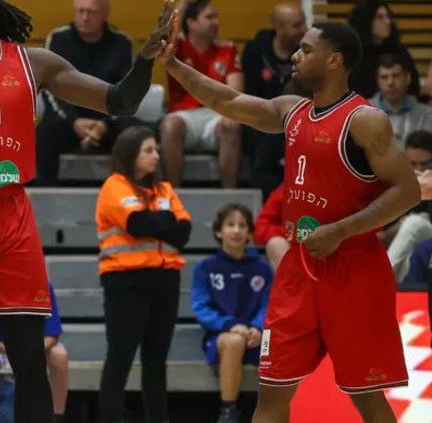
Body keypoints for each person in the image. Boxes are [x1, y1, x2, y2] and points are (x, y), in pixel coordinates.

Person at [0, 0, 177, 420]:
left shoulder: (33, 63)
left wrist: (146, 58)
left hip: (11, 214)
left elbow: (119, 101)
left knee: (30, 356)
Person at [161, 20, 420, 422]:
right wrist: (174, 65)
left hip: (353, 268)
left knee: (368, 400)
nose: (295, 56)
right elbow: (227, 100)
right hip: (298, 268)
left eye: (306, 49)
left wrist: (341, 230)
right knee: (270, 396)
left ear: (334, 60)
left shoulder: (364, 120)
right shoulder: (291, 110)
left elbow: (407, 191)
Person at [95, 126, 192, 423]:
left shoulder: (164, 189)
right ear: (130, 154)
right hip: (126, 283)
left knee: (156, 361)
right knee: (120, 357)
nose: (156, 155)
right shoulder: (114, 186)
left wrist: (158, 221)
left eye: (156, 150)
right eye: (148, 150)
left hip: (165, 281)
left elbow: (184, 232)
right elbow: (137, 224)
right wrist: (165, 219)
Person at [35, 0, 140, 185]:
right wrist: (74, 122)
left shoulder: (122, 42)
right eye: (80, 11)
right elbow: (48, 86)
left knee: (135, 133)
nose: (84, 17)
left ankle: (133, 192)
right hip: (68, 118)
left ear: (105, 14)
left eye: (91, 12)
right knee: (44, 133)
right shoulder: (58, 38)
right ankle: (45, 193)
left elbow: (127, 91)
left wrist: (105, 124)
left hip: (109, 118)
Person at [191, 204, 272, 423]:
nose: (236, 230)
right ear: (219, 231)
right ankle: (228, 412)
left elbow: (268, 306)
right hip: (221, 337)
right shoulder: (205, 267)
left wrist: (257, 328)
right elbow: (201, 307)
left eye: (242, 225)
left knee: (288, 345)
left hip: (256, 336)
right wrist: (230, 325)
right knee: (234, 341)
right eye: (230, 225)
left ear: (250, 233)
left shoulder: (263, 269)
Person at [160, 0, 243, 188]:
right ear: (191, 23)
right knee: (170, 126)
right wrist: (183, 4)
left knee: (232, 125)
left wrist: (230, 113)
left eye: (216, 17)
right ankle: (173, 193)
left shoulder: (227, 49)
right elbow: (166, 34)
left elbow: (236, 91)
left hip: (216, 114)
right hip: (184, 115)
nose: (216, 22)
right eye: (209, 17)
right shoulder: (177, 47)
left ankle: (230, 195)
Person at [0, 283, 68, 423]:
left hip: (35, 348)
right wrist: (12, 350)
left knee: (60, 355)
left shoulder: (42, 285)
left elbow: (52, 334)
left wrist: (32, 350)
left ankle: (57, 417)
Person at [241, 3, 306, 199]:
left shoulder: (307, 52)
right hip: (260, 120)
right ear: (279, 28)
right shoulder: (255, 51)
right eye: (296, 25)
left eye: (303, 23)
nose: (303, 29)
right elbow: (248, 95)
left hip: (299, 118)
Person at [379, 130, 432, 281]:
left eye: (425, 164)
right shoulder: (393, 183)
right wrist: (397, 227)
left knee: (415, 222)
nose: (419, 170)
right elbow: (381, 236)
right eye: (413, 164)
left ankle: (382, 281)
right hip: (402, 254)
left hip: (427, 240)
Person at [348, 0, 420, 98]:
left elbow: (413, 86)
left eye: (388, 17)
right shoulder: (354, 55)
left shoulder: (399, 51)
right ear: (366, 20)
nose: (387, 22)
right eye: (380, 17)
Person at [370, 55, 432, 143]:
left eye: (396, 76)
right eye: (384, 77)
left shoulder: (426, 114)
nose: (390, 82)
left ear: (408, 78)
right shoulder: (363, 113)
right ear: (378, 82)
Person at [253, 184, 290, 269]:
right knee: (276, 243)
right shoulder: (287, 188)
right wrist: (292, 233)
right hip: (294, 242)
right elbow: (261, 229)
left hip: (320, 242)